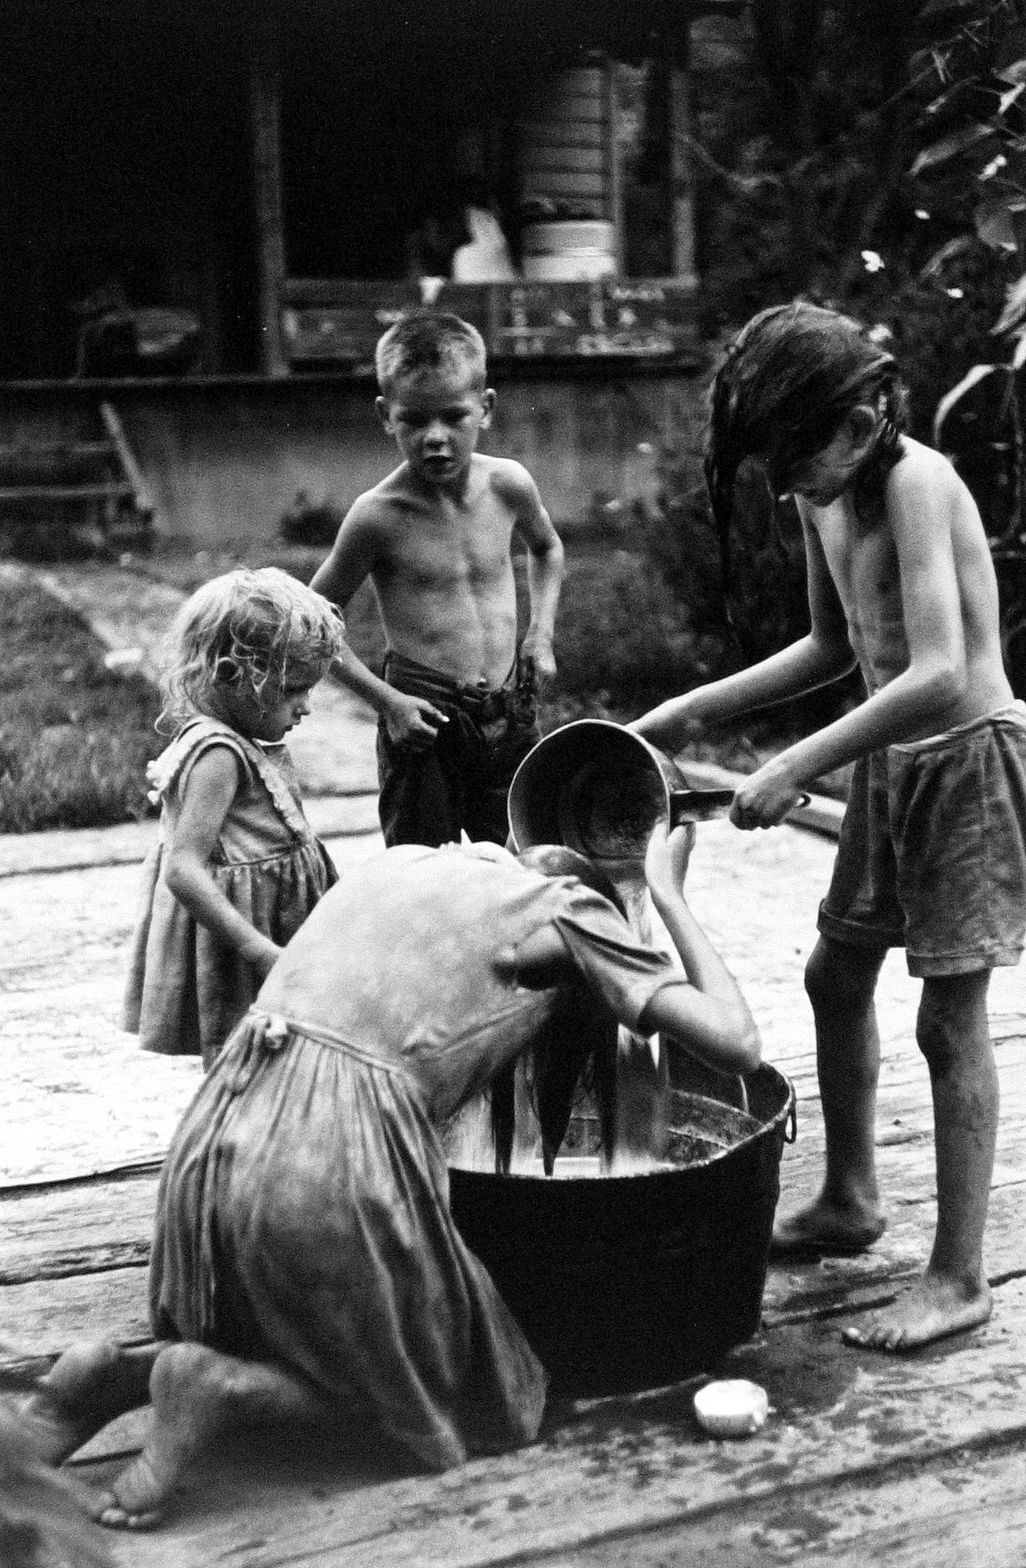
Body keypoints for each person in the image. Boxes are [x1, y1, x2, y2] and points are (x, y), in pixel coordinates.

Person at [23, 823, 759, 1530]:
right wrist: (667, 893)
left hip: (213, 1135)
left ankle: (115, 1375)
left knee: (289, 1317)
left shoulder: (405, 865)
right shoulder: (572, 915)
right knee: (472, 1389)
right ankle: (224, 1390)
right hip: (328, 1150)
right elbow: (737, 1044)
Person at [632, 300, 1026, 1353]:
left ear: (863, 418)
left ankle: (959, 1276)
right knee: (833, 975)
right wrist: (698, 707)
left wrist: (799, 761)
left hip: (966, 763)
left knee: (949, 1022)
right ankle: (850, 1197)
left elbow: (943, 671)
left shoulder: (914, 483)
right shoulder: (826, 493)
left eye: (798, 457)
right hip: (893, 758)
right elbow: (832, 648)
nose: (788, 482)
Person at [311, 309, 564, 847]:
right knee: (423, 876)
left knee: (531, 859)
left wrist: (540, 636)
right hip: (423, 722)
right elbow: (310, 623)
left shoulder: (508, 485)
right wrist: (386, 701)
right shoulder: (376, 515)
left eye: (454, 416)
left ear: (486, 409)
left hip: (509, 711)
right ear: (386, 416)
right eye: (414, 420)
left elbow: (546, 548)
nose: (435, 438)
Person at [122, 567, 346, 1069]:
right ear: (231, 674)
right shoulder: (218, 753)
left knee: (285, 1054)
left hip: (272, 918)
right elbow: (184, 868)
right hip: (248, 932)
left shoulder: (239, 739)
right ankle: (235, 1143)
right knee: (249, 1058)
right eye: (293, 689)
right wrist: (258, 949)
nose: (305, 707)